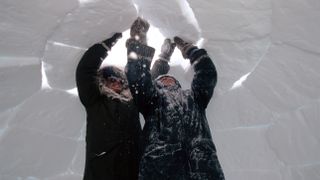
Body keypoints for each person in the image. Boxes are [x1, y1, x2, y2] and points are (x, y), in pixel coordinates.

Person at [125, 19, 225, 179]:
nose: (166, 79)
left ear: (177, 83)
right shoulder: (153, 101)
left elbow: (208, 75)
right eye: (161, 79)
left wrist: (191, 50)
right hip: (160, 170)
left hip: (204, 168)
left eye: (170, 78)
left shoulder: (194, 98)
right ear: (156, 85)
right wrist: (139, 42)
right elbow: (138, 79)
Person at [76, 33, 142, 180]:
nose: (117, 83)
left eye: (120, 81)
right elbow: (85, 71)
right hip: (101, 171)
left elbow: (144, 78)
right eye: (112, 79)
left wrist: (137, 45)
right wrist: (105, 46)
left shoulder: (132, 103)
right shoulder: (95, 100)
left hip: (132, 172)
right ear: (103, 81)